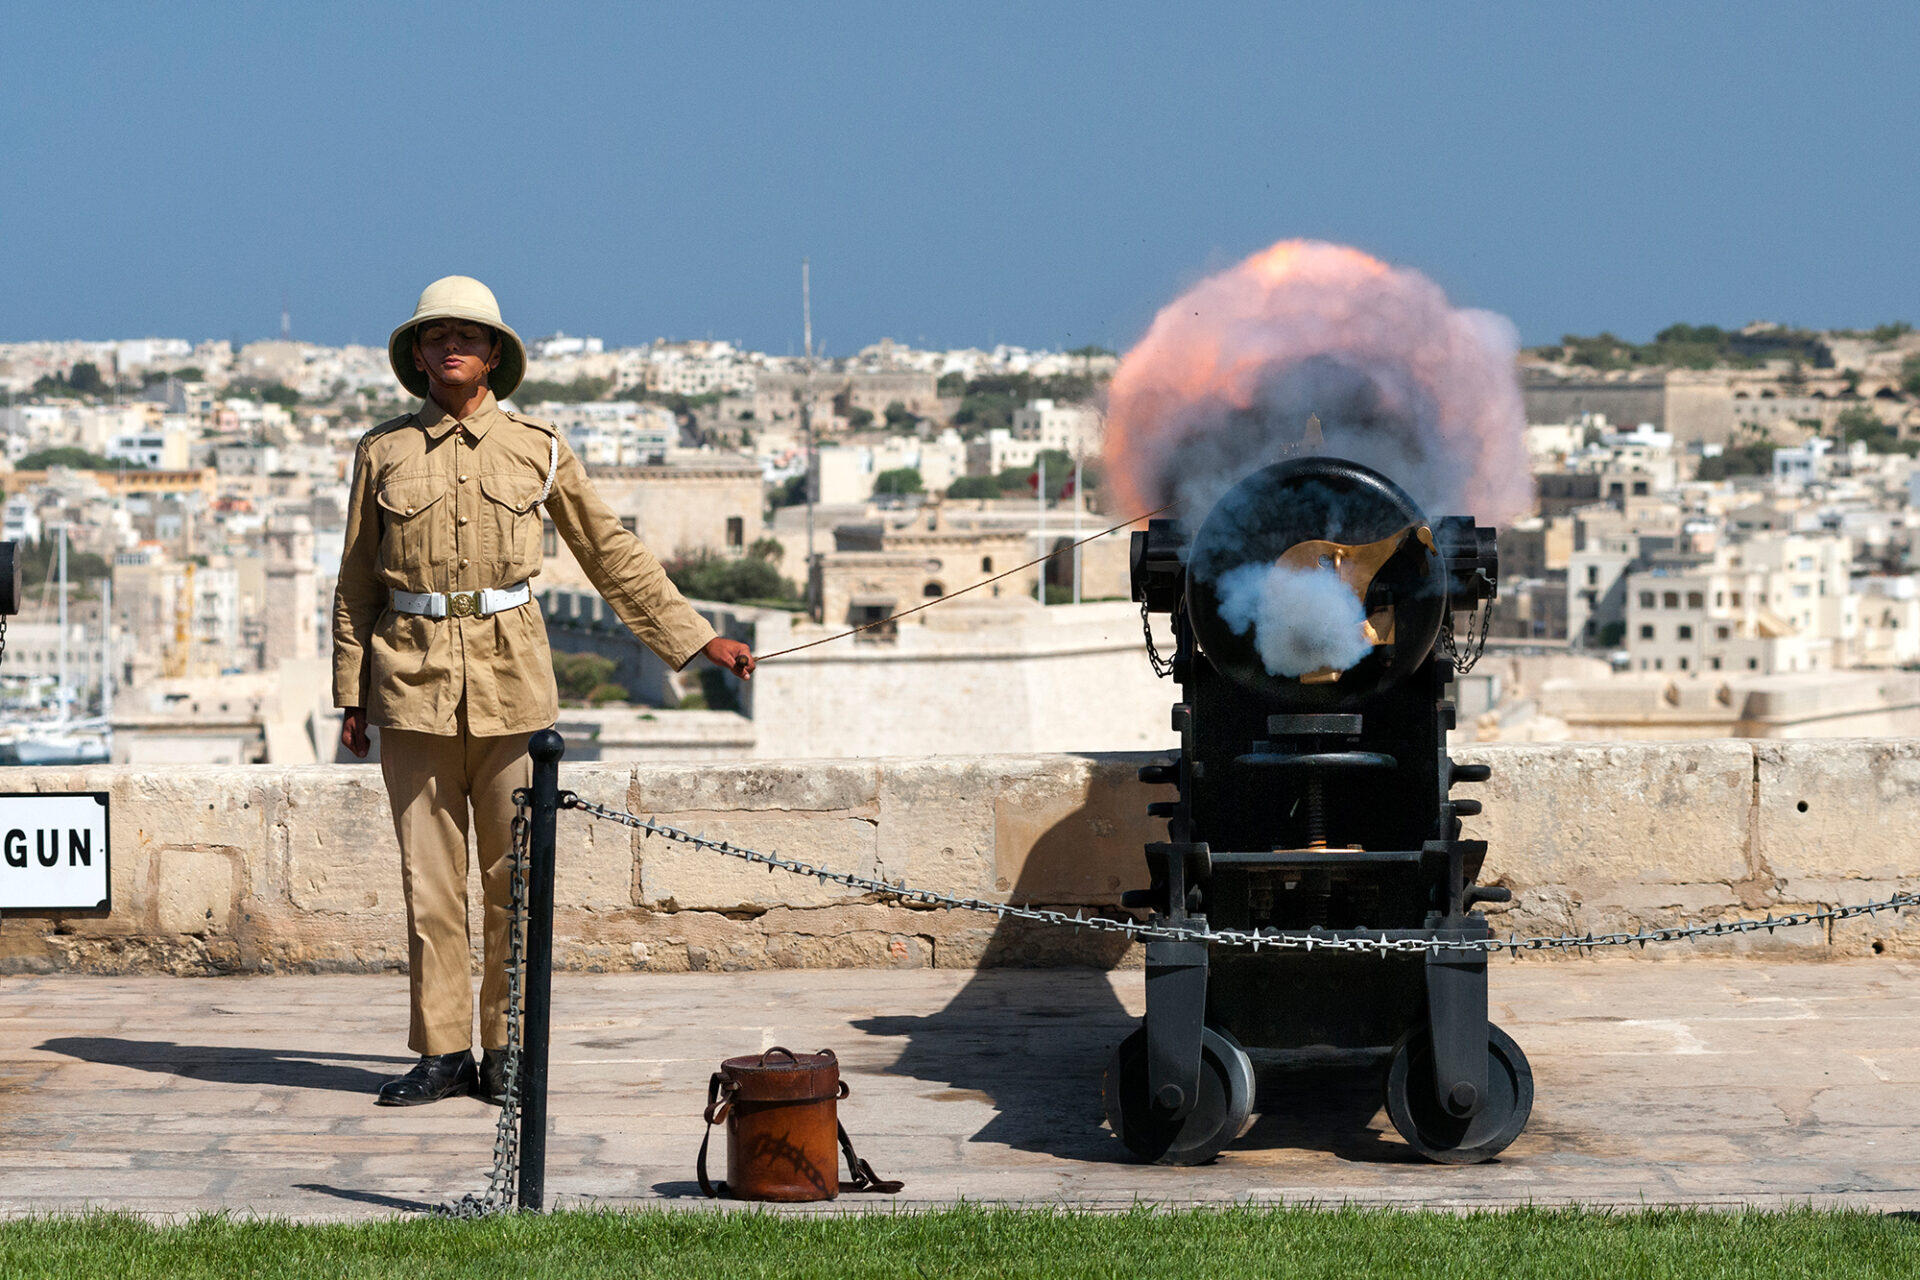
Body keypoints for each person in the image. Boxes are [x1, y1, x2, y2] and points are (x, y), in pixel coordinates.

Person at [332, 276, 754, 1106]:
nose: (452, 345)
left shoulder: (539, 448)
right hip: (410, 684)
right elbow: (355, 583)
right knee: (430, 880)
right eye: (437, 334)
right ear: (417, 354)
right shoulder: (382, 452)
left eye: (470, 335)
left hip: (510, 685)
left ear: (494, 354)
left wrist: (697, 637)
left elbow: (609, 551)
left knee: (511, 881)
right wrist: (351, 692)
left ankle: (504, 1050)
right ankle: (443, 1052)